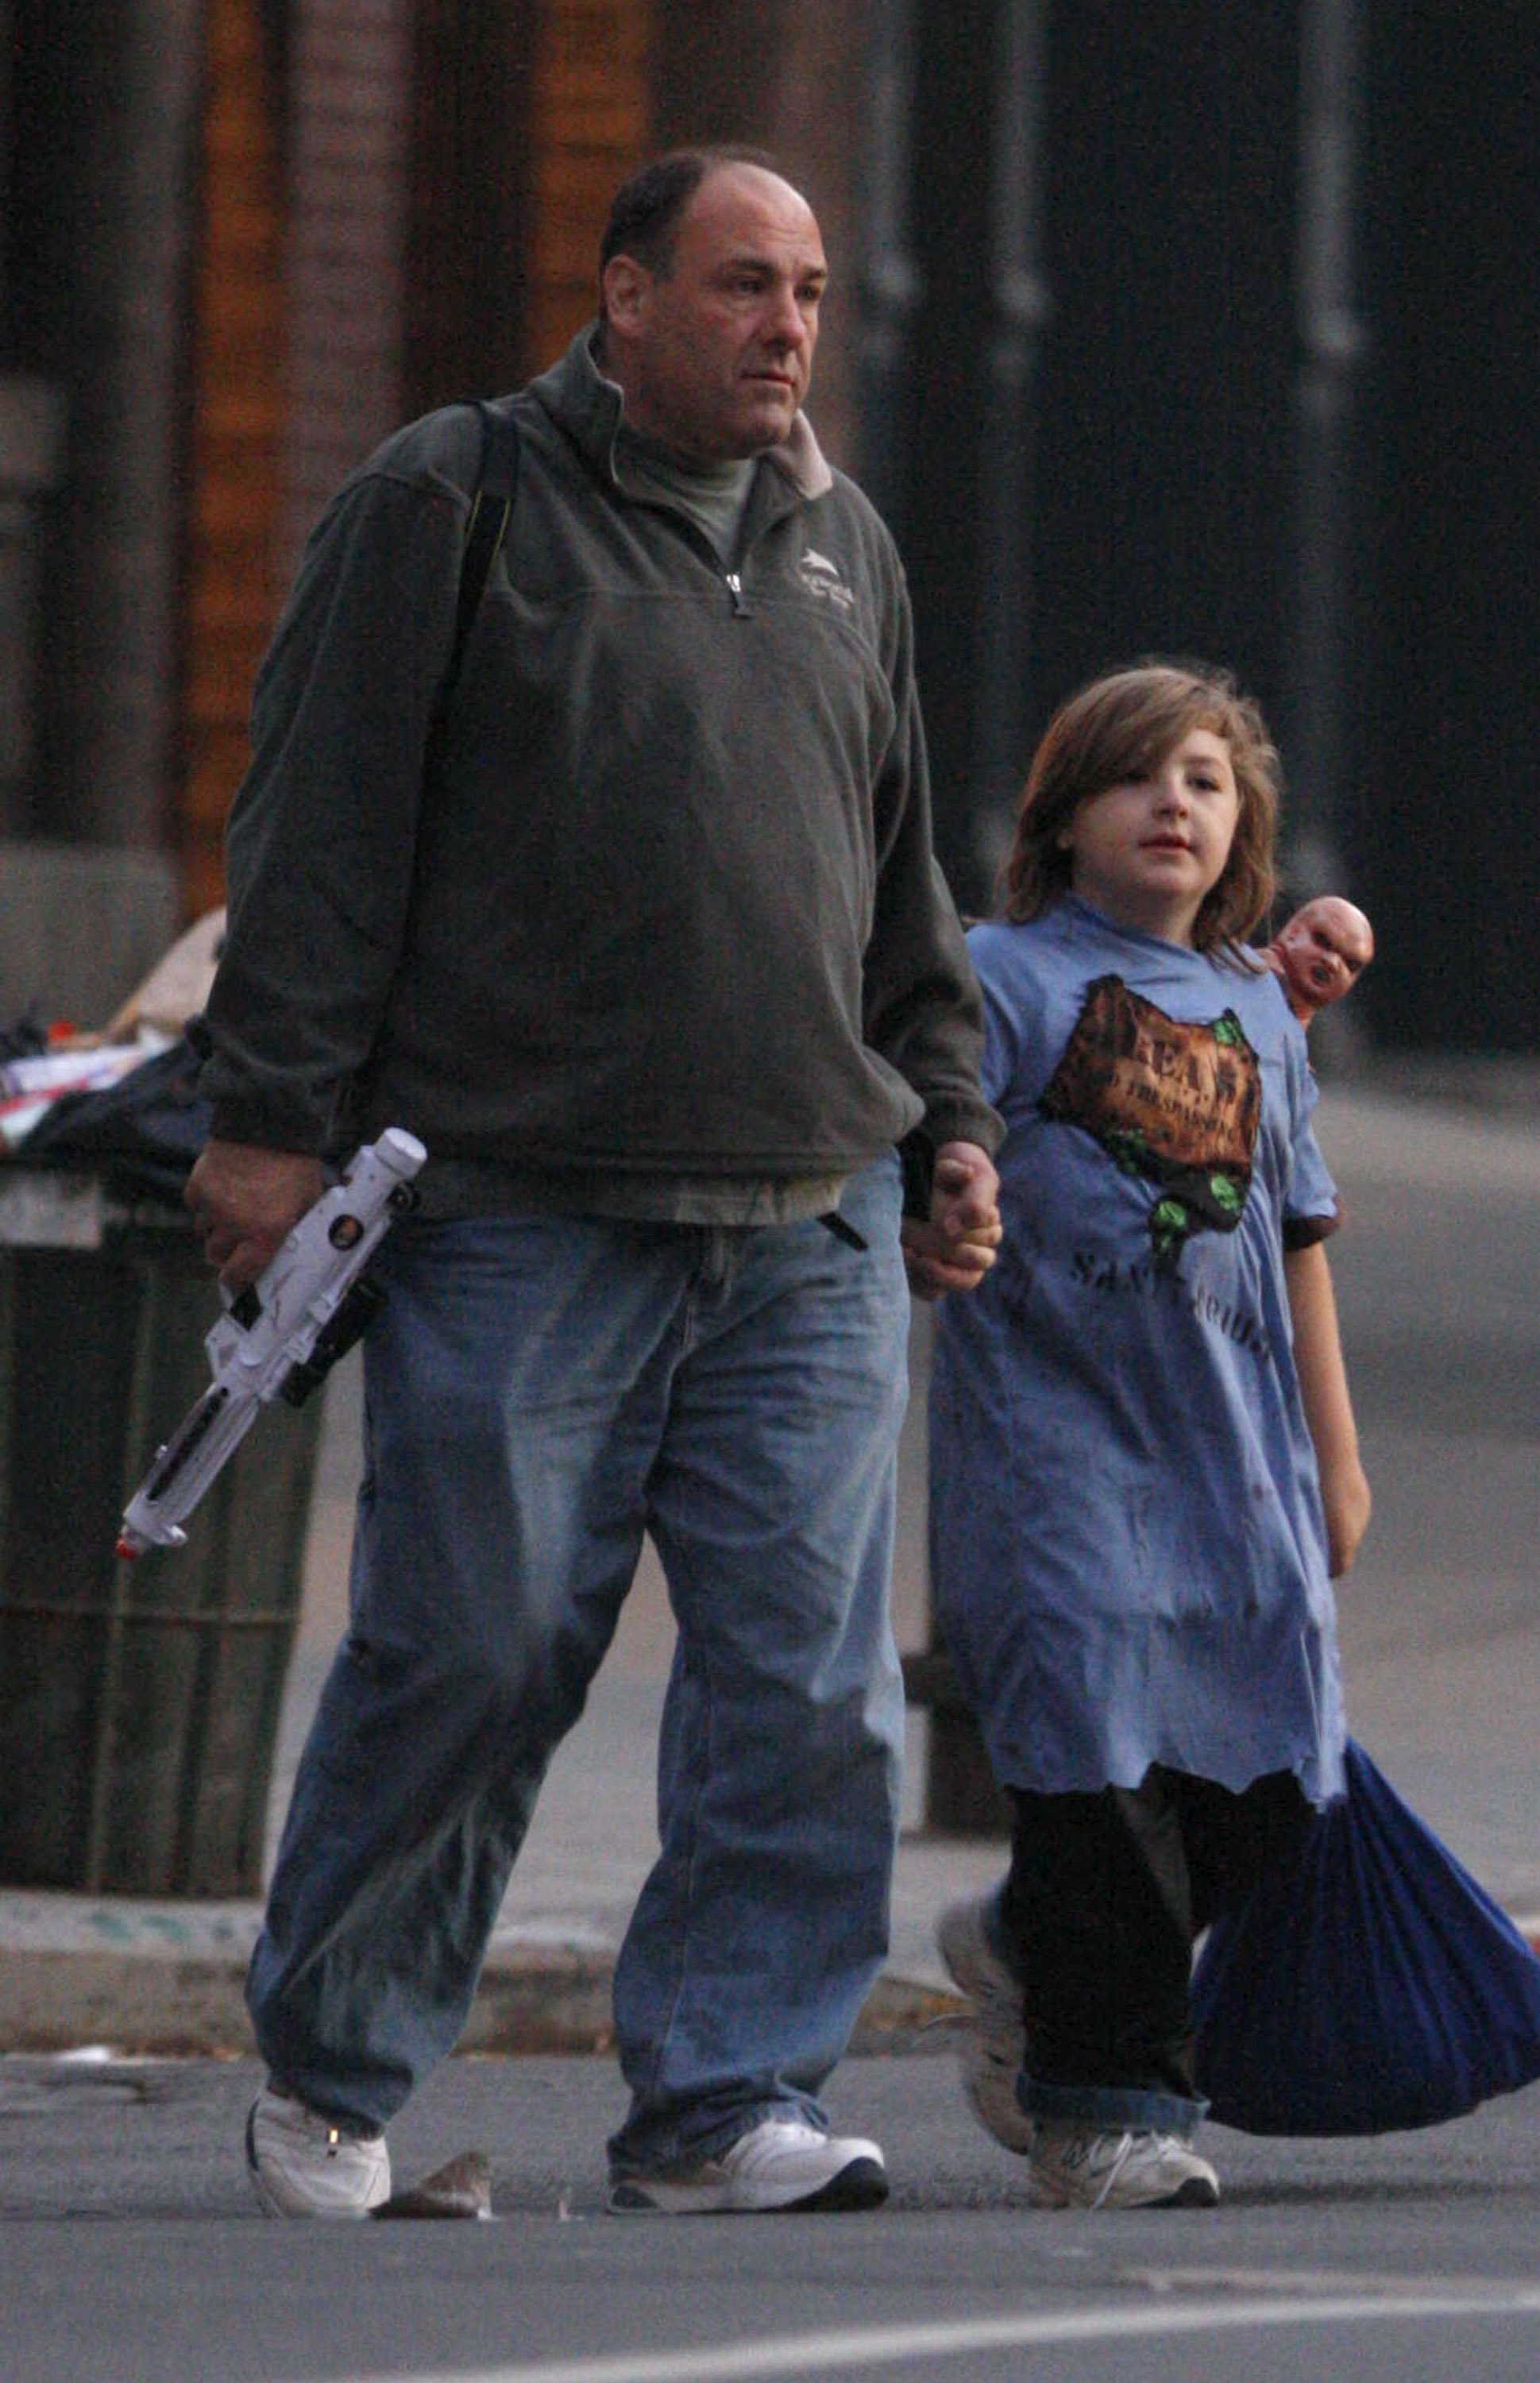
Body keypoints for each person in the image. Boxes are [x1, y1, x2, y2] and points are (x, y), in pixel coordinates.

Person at [186, 145, 1002, 2220]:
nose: (785, 328)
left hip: (808, 1213)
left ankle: (728, 2100)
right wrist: (269, 1114)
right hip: (519, 1200)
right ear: (624, 297)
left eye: (809, 289)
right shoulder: (453, 502)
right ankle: (337, 2074)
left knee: (808, 1691)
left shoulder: (846, 550)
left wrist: (952, 1113)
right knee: (469, 1649)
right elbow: (319, 827)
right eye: (743, 284)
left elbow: (897, 864)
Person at [926, 661, 1370, 2209]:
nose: (1171, 802)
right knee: (1103, 1753)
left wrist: (1338, 1449)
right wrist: (949, 1194)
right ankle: (1104, 2111)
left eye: (1201, 777)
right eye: (1135, 776)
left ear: (1242, 822)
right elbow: (933, 1147)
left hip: (1234, 1449)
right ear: (1061, 816)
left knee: (1271, 1789)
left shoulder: (1259, 1004)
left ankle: (1021, 1937)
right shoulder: (1001, 977)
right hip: (1060, 1441)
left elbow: (1299, 1234)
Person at [1265, 893, 1374, 1026]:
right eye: (1324, 942)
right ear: (1293, 932)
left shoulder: (1290, 1035)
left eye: (1350, 964)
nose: (1333, 963)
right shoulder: (1241, 974)